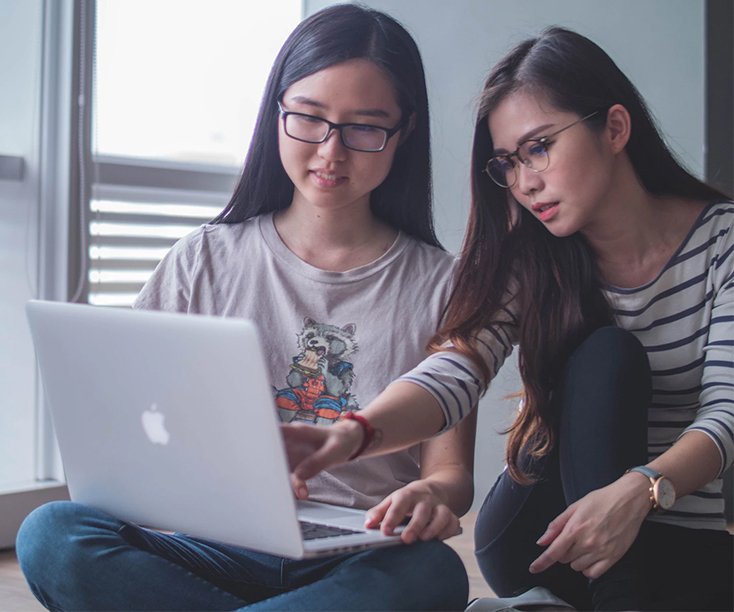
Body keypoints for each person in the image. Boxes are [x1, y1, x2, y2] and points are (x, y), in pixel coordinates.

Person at [15, 5, 473, 610]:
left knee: (434, 573)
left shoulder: (445, 285)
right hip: (217, 545)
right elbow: (133, 431)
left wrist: (435, 497)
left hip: (360, 552)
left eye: (364, 128)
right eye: (310, 118)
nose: (331, 151)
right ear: (277, 112)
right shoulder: (202, 260)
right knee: (51, 533)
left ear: (404, 132)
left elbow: (451, 475)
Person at [284, 26, 734, 611]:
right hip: (544, 534)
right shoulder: (532, 256)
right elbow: (455, 369)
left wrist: (641, 490)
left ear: (615, 128)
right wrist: (354, 432)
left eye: (540, 147)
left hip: (673, 531)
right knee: (608, 353)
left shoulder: (723, 242)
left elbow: (728, 408)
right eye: (507, 163)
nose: (524, 183)